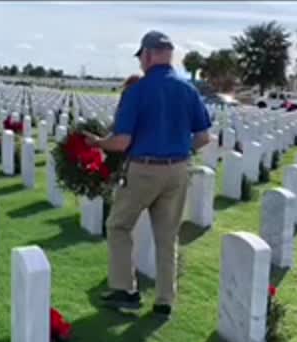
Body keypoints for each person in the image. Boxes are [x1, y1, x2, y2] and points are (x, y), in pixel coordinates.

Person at [84, 30, 211, 318]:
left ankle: (125, 290)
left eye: (141, 56)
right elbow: (203, 137)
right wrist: (178, 152)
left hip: (144, 169)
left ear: (150, 54)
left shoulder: (138, 90)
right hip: (178, 170)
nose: (141, 62)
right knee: (167, 237)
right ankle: (165, 301)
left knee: (118, 225)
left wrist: (97, 143)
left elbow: (121, 142)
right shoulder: (189, 90)